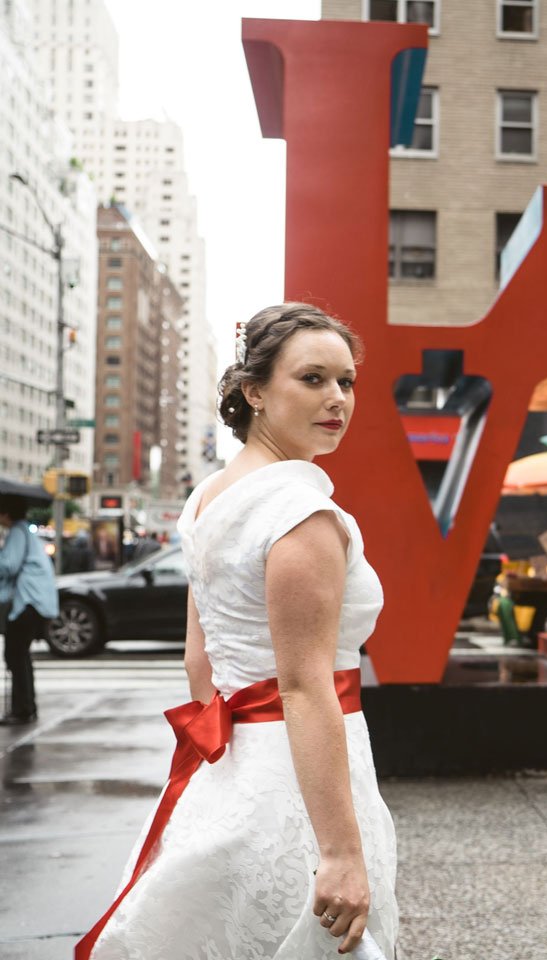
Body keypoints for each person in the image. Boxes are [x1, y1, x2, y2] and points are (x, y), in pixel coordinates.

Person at [76, 303, 398, 959]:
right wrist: (338, 851)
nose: (337, 398)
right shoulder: (299, 512)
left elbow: (201, 662)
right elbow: (305, 687)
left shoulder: (209, 497)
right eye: (313, 379)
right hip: (301, 784)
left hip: (229, 774)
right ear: (253, 391)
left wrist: (219, 777)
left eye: (347, 381)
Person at [0, 495, 59, 726]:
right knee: (20, 655)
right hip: (35, 603)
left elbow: (8, 565)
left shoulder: (17, 532)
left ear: (6, 513)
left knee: (15, 654)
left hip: (27, 604)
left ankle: (21, 709)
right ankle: (26, 707)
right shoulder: (26, 532)